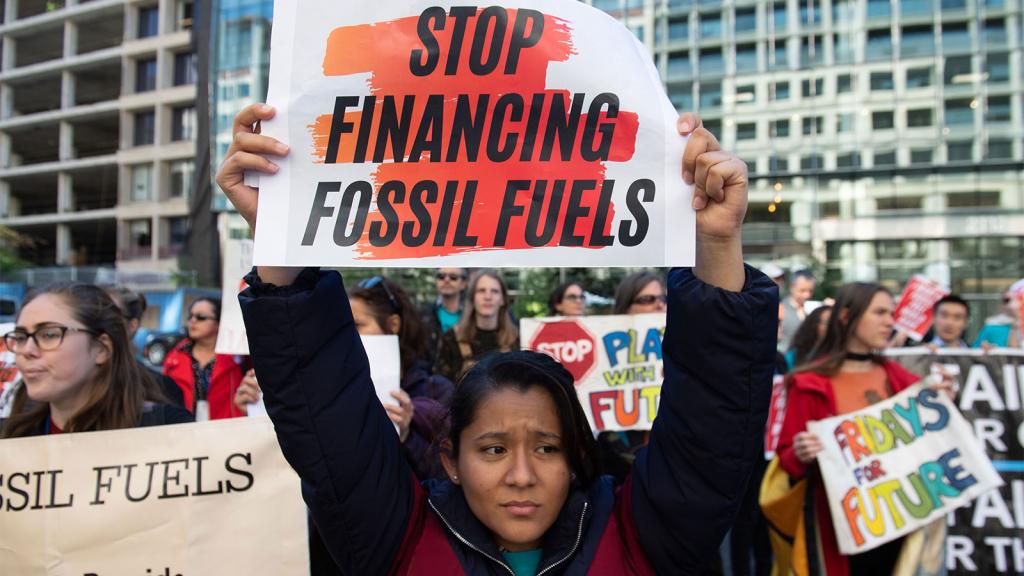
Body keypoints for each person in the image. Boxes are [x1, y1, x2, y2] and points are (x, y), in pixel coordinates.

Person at [217, 104, 777, 575]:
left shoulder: (637, 536)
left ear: (577, 456)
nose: (521, 475)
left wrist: (718, 241)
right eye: (492, 449)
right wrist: (281, 237)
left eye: (547, 447)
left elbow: (712, 425)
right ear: (451, 460)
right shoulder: (398, 538)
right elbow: (324, 415)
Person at [771, 282, 955, 574]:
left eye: (891, 313)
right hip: (840, 530)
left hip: (901, 523)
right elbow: (787, 460)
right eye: (880, 312)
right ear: (846, 317)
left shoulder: (898, 378)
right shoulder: (809, 383)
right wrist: (802, 451)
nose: (890, 322)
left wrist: (941, 401)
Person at [1, 283, 192, 437]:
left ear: (101, 348)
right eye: (20, 336)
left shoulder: (167, 431)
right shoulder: (13, 437)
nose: (27, 350)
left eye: (49, 334)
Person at [162, 297, 248, 420]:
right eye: (190, 316)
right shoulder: (174, 358)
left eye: (200, 317)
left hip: (227, 431)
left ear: (219, 322)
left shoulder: (238, 357)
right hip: (183, 431)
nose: (193, 320)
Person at [102, 285, 185, 407]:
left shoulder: (161, 387)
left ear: (132, 326)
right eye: (95, 311)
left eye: (110, 313)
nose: (99, 320)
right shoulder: (78, 378)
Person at [435, 270, 519, 383]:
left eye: (494, 291)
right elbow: (440, 386)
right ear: (472, 298)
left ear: (502, 300)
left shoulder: (517, 339)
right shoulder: (452, 338)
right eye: (481, 291)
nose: (488, 297)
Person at [422, 268, 469, 363]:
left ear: (464, 284)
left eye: (453, 277)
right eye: (441, 276)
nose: (446, 280)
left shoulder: (472, 316)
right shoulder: (423, 315)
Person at [974, 283, 1022, 348]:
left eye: (1019, 298)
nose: (1012, 304)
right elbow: (974, 351)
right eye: (1006, 300)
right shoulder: (991, 327)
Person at [784, 305, 832, 370]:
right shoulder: (793, 356)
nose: (831, 326)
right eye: (826, 322)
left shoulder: (839, 355)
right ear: (813, 324)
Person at [779, 269, 816, 351]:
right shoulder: (780, 309)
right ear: (792, 287)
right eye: (802, 290)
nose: (807, 295)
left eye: (810, 291)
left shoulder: (812, 309)